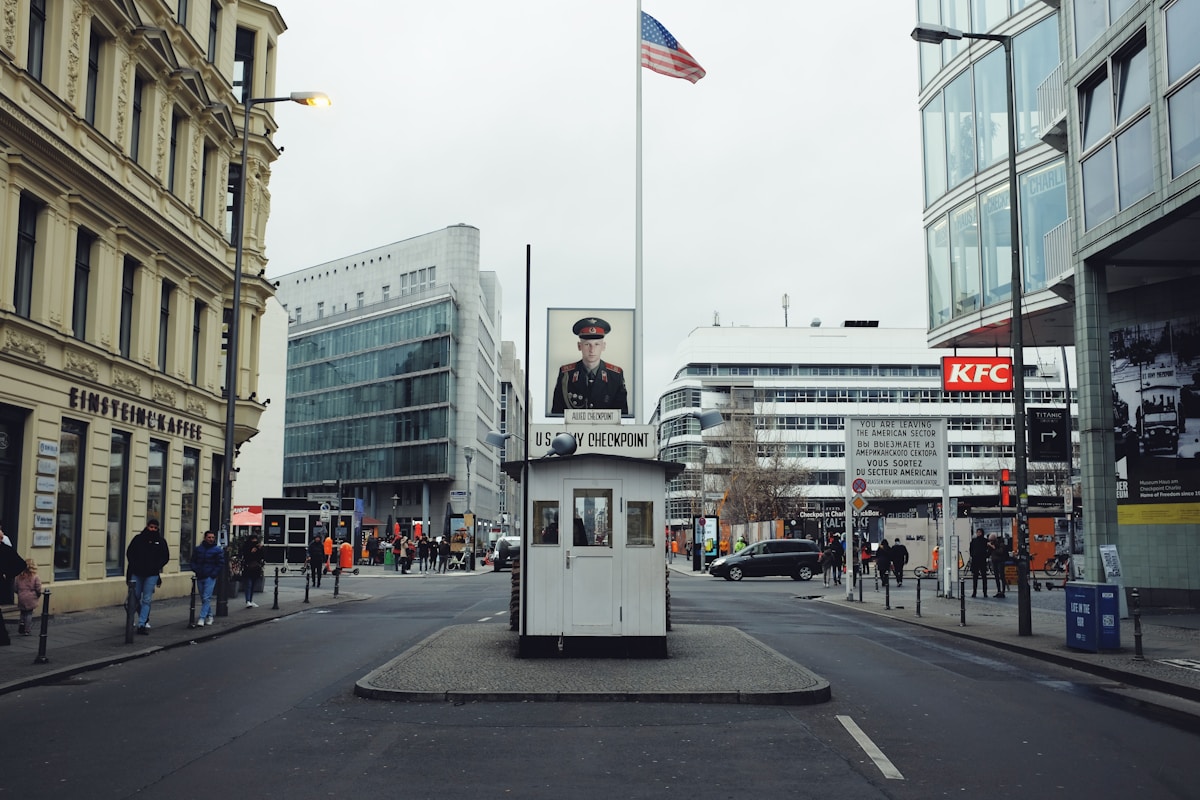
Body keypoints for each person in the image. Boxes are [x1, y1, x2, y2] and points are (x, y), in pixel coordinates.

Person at [550, 317, 629, 414]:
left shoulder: (615, 375)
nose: (592, 350)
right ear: (579, 346)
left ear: (603, 346)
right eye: (587, 344)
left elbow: (622, 416)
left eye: (597, 344)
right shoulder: (566, 374)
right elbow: (557, 413)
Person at [126, 518, 170, 634]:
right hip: (137, 573)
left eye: (155, 528)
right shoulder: (138, 539)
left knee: (147, 599)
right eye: (151, 527)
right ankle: (134, 619)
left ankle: (142, 624)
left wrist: (156, 566)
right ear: (147, 526)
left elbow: (165, 557)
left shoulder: (160, 541)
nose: (153, 529)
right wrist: (135, 565)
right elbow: (130, 553)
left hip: (152, 574)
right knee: (134, 598)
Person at [189, 531, 224, 626]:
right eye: (209, 537)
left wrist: (214, 573)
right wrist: (196, 569)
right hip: (200, 575)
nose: (211, 539)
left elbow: (220, 563)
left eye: (212, 537)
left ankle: (202, 618)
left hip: (210, 576)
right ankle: (210, 616)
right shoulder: (198, 549)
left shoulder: (217, 550)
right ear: (205, 538)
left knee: (206, 597)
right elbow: (193, 561)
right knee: (203, 598)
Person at [13, 559, 42, 635]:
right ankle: (27, 630)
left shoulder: (19, 577)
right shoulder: (35, 577)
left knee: (22, 613)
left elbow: (15, 588)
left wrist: (19, 593)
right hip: (31, 597)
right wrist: (38, 594)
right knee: (29, 613)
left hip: (21, 596)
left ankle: (22, 623)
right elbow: (38, 588)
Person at [241, 533, 265, 608]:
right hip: (248, 568)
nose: (254, 541)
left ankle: (250, 600)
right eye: (253, 540)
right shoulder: (246, 547)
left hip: (255, 569)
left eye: (255, 539)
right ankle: (248, 600)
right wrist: (251, 552)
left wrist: (261, 549)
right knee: (249, 585)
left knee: (252, 585)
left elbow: (262, 557)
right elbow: (245, 556)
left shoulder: (258, 547)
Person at [969, 528, 990, 598]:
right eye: (977, 532)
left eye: (980, 532)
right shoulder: (974, 540)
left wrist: (986, 555)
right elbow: (971, 549)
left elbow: (988, 549)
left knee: (984, 576)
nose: (978, 533)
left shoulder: (985, 541)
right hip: (975, 560)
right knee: (975, 577)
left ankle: (985, 592)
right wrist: (972, 555)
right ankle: (974, 592)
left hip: (982, 560)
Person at [988, 533, 1008, 598]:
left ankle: (1003, 591)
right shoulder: (993, 544)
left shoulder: (1000, 544)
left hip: (1000, 561)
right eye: (990, 540)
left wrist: (993, 548)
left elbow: (1000, 552)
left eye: (992, 540)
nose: (991, 542)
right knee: (996, 577)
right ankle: (998, 590)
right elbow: (989, 553)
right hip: (994, 562)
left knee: (1002, 576)